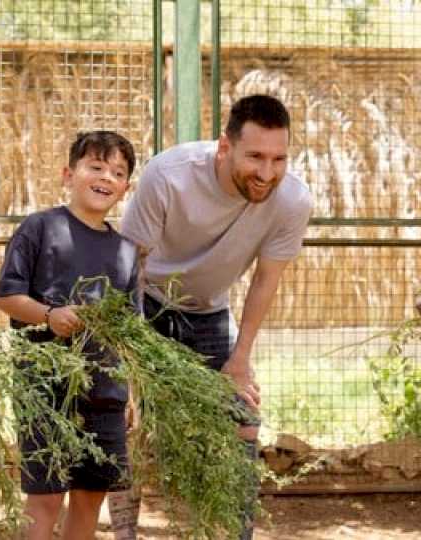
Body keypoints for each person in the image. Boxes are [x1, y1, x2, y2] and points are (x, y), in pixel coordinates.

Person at [110, 94, 313, 539]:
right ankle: (125, 534)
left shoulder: (293, 200)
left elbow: (265, 280)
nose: (267, 173)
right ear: (225, 147)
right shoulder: (168, 175)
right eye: (255, 157)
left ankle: (233, 534)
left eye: (279, 159)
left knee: (244, 418)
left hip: (209, 313)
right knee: (123, 423)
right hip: (144, 306)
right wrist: (124, 356)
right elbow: (128, 268)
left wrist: (240, 361)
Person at [0, 130, 139, 540]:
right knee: (45, 497)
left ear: (126, 186)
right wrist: (49, 315)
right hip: (45, 388)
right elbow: (7, 296)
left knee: (91, 494)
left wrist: (131, 393)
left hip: (105, 392)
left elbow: (130, 332)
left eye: (117, 172)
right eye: (95, 166)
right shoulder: (40, 228)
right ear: (67, 174)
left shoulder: (127, 251)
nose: (106, 177)